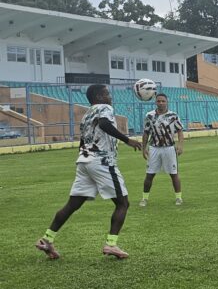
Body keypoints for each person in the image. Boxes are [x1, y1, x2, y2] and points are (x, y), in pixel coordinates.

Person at [35, 84, 142, 259]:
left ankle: (47, 239)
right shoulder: (105, 108)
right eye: (107, 93)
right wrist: (127, 140)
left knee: (72, 205)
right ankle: (111, 244)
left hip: (84, 160)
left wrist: (84, 157)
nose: (110, 97)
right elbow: (104, 123)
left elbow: (85, 138)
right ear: (99, 96)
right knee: (123, 203)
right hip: (101, 161)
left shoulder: (87, 114)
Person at [140, 93, 184, 206]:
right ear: (155, 102)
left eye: (163, 101)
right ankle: (144, 198)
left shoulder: (173, 115)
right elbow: (146, 132)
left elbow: (179, 131)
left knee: (174, 174)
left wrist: (180, 145)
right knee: (149, 174)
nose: (161, 103)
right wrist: (143, 148)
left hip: (169, 148)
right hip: (154, 148)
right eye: (158, 101)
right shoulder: (149, 115)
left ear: (167, 102)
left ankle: (178, 198)